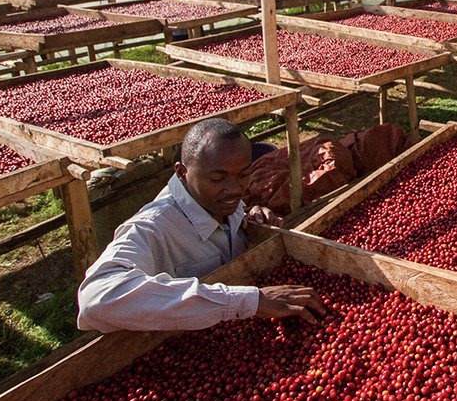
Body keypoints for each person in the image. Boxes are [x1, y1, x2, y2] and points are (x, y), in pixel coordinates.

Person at [77, 118, 326, 333]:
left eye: (243, 175)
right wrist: (251, 301)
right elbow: (95, 299)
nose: (235, 189)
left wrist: (249, 217)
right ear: (182, 172)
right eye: (217, 178)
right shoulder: (153, 227)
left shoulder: (221, 202)